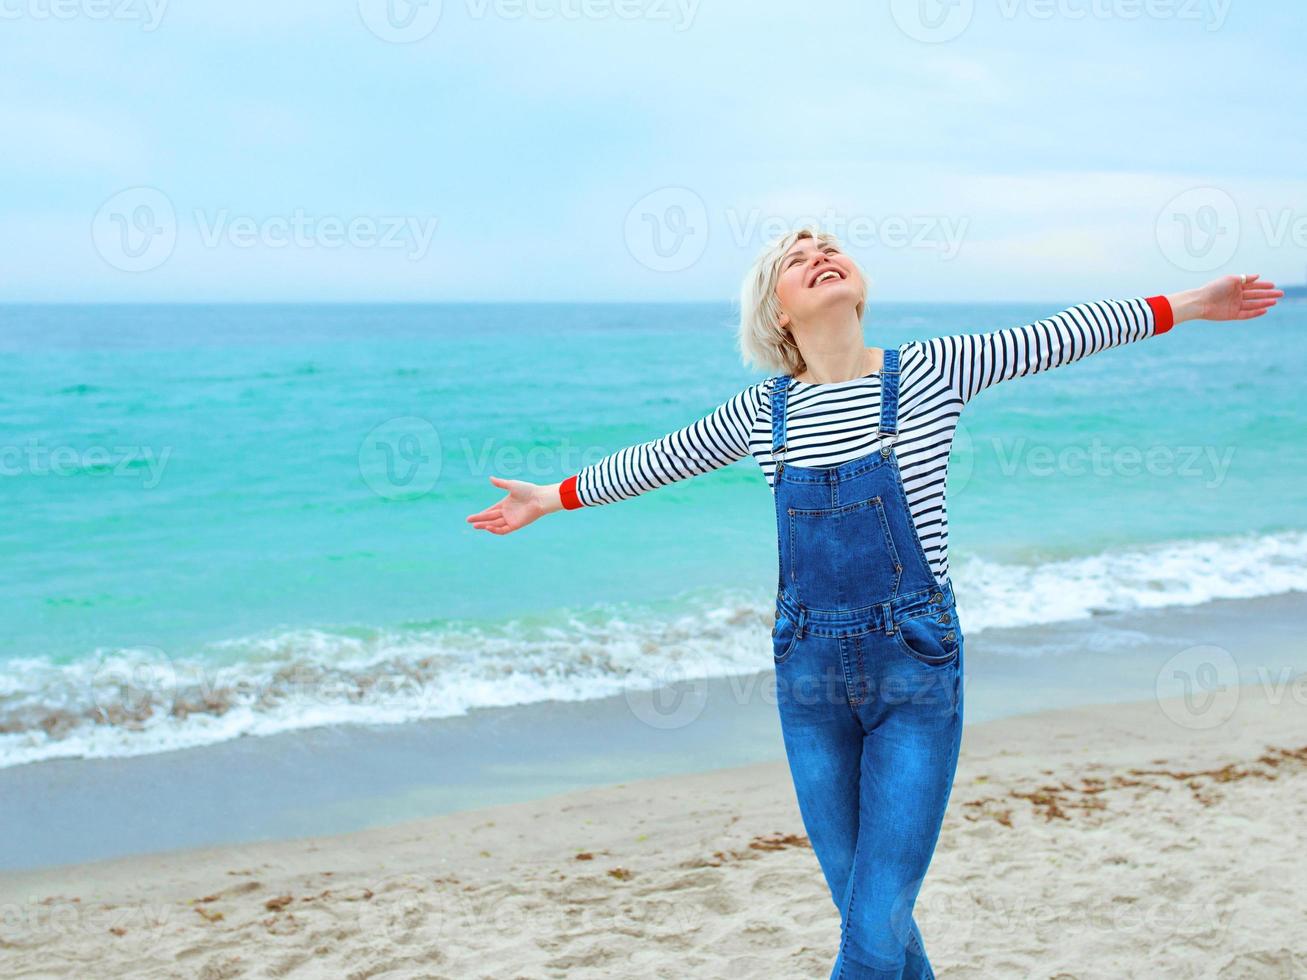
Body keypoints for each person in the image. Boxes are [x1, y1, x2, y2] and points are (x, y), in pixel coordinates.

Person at [465, 228, 1282, 978]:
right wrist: (552, 497)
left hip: (914, 671)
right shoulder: (763, 413)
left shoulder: (928, 371)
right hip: (806, 677)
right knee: (863, 905)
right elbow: (659, 460)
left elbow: (1065, 332)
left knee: (875, 919)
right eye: (796, 255)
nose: (820, 251)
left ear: (857, 283)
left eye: (830, 245)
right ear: (775, 309)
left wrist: (1191, 305)